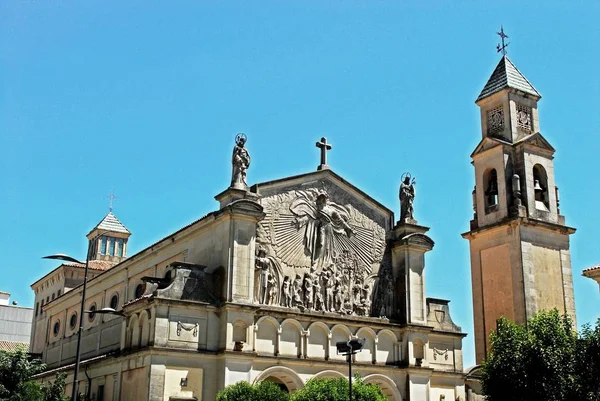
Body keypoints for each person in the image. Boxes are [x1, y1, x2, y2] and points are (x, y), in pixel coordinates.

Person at [291, 191, 353, 268]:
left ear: (324, 199)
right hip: (322, 227)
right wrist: (299, 221)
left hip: (329, 228)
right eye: (319, 198)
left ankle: (326, 262)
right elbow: (310, 216)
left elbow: (341, 221)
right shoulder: (318, 209)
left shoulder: (332, 211)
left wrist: (348, 228)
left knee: (328, 247)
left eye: (322, 198)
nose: (320, 200)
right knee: (321, 243)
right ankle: (316, 261)